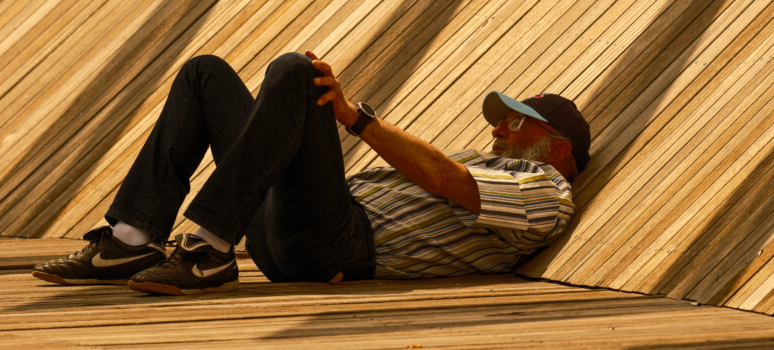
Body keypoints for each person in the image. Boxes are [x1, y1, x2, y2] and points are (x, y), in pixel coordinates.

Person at [32, 51, 590, 295]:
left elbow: (448, 182)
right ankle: (132, 237)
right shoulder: (496, 164)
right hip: (294, 230)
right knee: (205, 75)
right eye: (500, 122)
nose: (497, 130)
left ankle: (209, 248)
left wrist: (355, 118)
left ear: (558, 148)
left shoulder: (546, 193)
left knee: (298, 73)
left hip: (340, 246)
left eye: (515, 123)